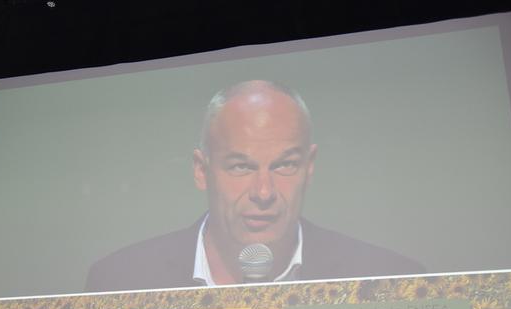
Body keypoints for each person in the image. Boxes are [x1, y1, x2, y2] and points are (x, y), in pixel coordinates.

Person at [85, 80, 424, 292]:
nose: (264, 192)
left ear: (309, 168)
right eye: (241, 167)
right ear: (202, 171)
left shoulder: (392, 280)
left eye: (285, 165)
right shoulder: (119, 279)